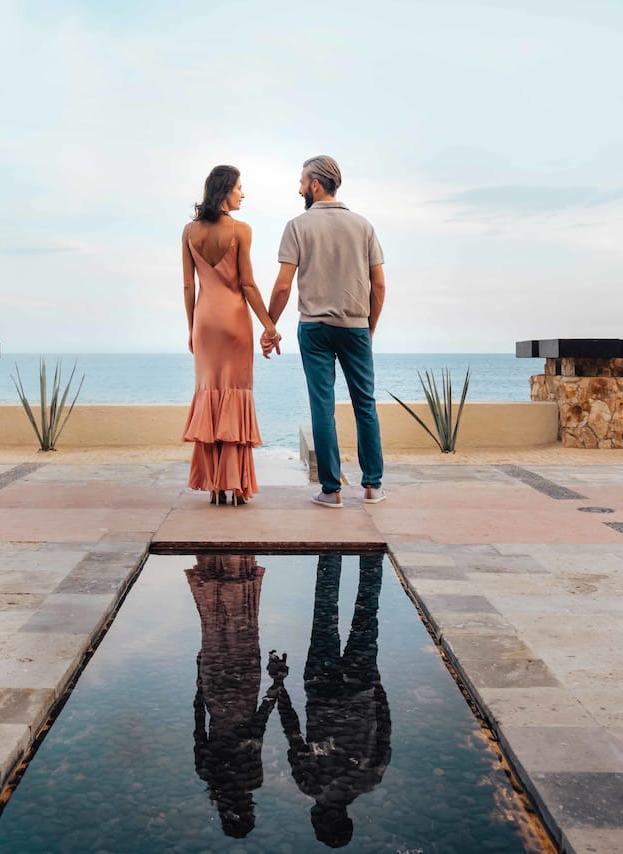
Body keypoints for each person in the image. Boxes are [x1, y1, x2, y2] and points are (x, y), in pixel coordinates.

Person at [263, 155, 387, 508]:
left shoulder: (297, 226)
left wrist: (270, 326)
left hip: (314, 328)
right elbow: (378, 285)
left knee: (323, 406)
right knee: (365, 404)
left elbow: (283, 287)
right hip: (355, 326)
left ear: (315, 184)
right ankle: (373, 486)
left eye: (302, 181)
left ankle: (331, 491)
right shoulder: (363, 226)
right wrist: (369, 325)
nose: (299, 187)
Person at [267, 553, 391, 847]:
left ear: (347, 818)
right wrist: (278, 685)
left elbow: (385, 726)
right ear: (317, 819)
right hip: (320, 688)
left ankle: (370, 553)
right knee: (325, 609)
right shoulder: (310, 784)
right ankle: (331, 551)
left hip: (361, 687)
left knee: (367, 610)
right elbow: (293, 731)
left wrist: (378, 686)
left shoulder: (370, 779)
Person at [182, 165, 281, 505]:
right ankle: (235, 485)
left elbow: (188, 285)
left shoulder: (189, 232)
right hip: (236, 323)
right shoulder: (241, 230)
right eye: (240, 187)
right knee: (235, 396)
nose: (243, 193)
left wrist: (191, 328)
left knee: (209, 395)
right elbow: (248, 284)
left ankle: (212, 486)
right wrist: (269, 325)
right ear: (225, 191)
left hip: (205, 322)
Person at [187, 554, 284, 838]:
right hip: (217, 696)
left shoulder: (251, 778)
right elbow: (198, 725)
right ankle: (221, 562)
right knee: (216, 632)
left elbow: (258, 727)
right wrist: (199, 684)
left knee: (241, 630)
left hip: (240, 695)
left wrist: (276, 685)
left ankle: (232, 562)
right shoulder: (208, 774)